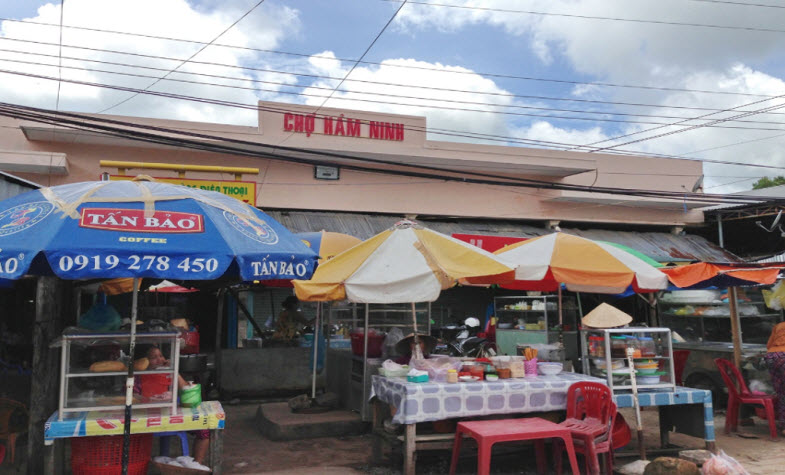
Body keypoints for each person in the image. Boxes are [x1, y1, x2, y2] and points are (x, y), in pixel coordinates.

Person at [135, 346, 210, 464]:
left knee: (204, 431)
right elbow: (133, 397)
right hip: (147, 416)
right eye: (154, 357)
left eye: (161, 356)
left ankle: (195, 466)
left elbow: (187, 391)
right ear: (144, 362)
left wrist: (174, 371)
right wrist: (149, 400)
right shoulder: (138, 377)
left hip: (170, 415)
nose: (159, 360)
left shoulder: (168, 373)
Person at [765, 321, 785, 434]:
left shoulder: (779, 325)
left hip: (772, 356)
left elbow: (768, 345)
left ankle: (783, 426)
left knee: (782, 392)